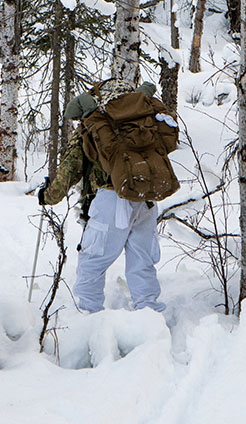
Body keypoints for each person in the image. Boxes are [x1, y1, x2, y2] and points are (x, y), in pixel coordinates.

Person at [37, 79, 169, 314]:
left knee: (93, 260)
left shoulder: (94, 124)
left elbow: (70, 170)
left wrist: (47, 196)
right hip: (145, 198)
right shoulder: (140, 120)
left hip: (110, 199)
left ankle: (89, 314)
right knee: (142, 262)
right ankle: (150, 315)